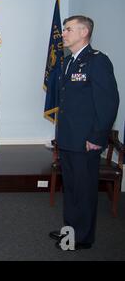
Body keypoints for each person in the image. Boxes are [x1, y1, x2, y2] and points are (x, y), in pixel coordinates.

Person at [50, 15, 119, 251]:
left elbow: (108, 102)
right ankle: (70, 230)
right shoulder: (69, 62)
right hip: (68, 138)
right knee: (70, 188)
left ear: (84, 32)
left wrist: (97, 137)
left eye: (68, 29)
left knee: (84, 189)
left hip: (85, 140)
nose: (64, 34)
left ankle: (82, 237)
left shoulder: (97, 61)